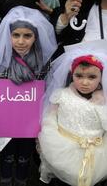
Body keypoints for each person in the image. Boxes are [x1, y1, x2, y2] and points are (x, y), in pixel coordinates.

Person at [0, 6, 57, 186]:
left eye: (27, 36)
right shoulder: (2, 60)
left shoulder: (42, 62)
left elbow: (46, 90)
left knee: (25, 153)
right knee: (7, 153)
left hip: (29, 119)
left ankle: (21, 179)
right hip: (6, 117)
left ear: (35, 37)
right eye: (16, 35)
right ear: (8, 36)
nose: (21, 41)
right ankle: (5, 178)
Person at [38, 47, 107, 186]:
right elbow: (50, 117)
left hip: (95, 154)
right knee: (60, 178)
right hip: (62, 149)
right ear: (72, 74)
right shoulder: (61, 95)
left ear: (101, 77)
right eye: (79, 76)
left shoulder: (104, 102)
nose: (85, 82)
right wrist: (50, 137)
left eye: (92, 77)